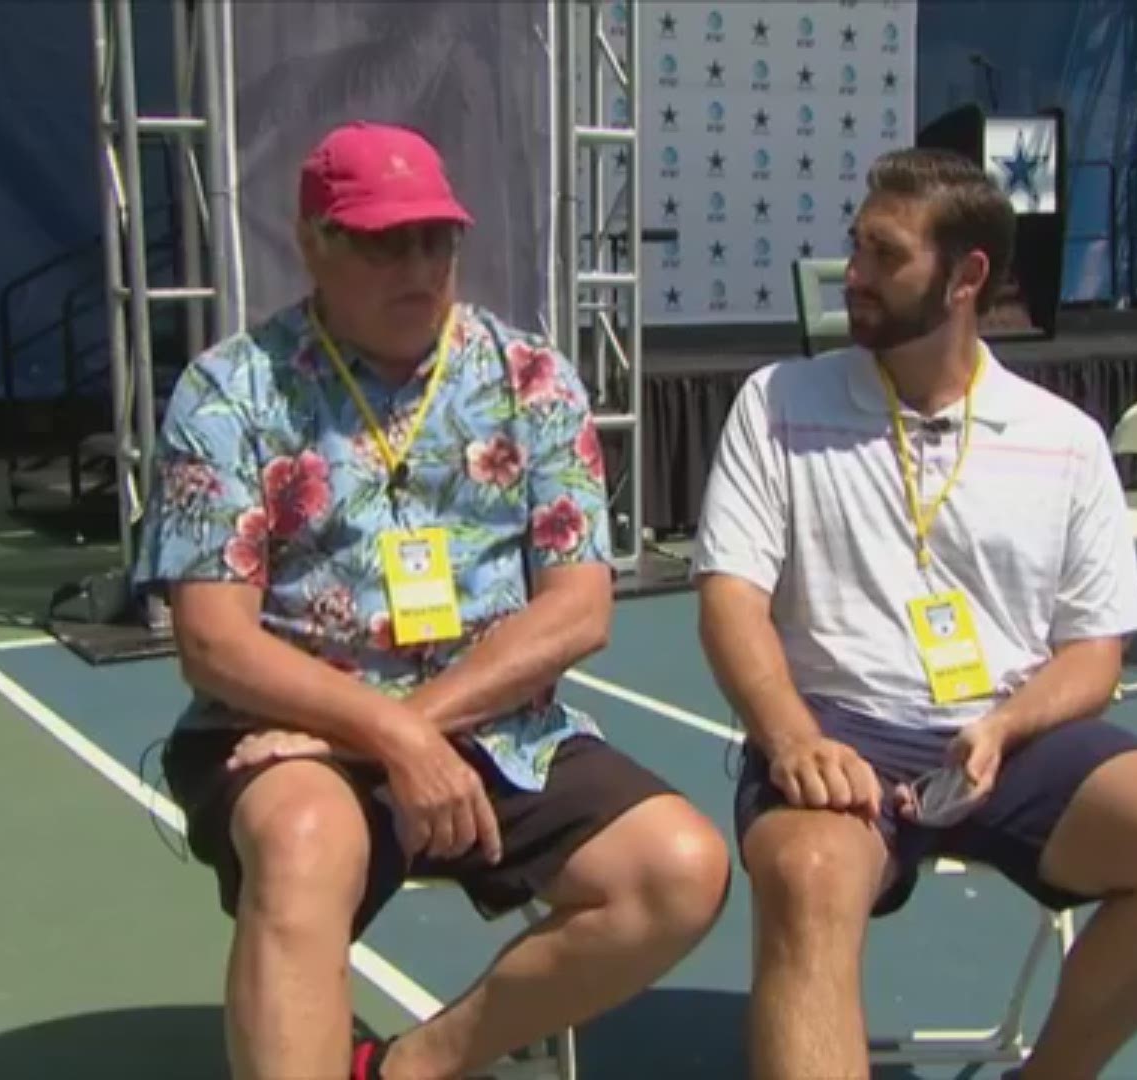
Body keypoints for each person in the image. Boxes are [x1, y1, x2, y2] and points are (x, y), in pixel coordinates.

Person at [134, 121, 730, 1080]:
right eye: (382, 241)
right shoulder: (231, 391)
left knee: (679, 869)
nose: (417, 265)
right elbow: (213, 645)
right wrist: (384, 737)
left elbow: (578, 609)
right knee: (303, 838)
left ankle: (411, 1067)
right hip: (285, 728)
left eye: (435, 239)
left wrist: (413, 728)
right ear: (312, 240)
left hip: (493, 729)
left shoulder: (531, 379)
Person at [692, 148, 1137, 1080]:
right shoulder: (779, 402)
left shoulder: (1064, 439)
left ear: (967, 278)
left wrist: (1005, 726)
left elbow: (1093, 654)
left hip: (1010, 740)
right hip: (836, 730)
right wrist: (790, 738)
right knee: (809, 875)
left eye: (885, 255)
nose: (856, 276)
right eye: (856, 247)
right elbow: (730, 600)